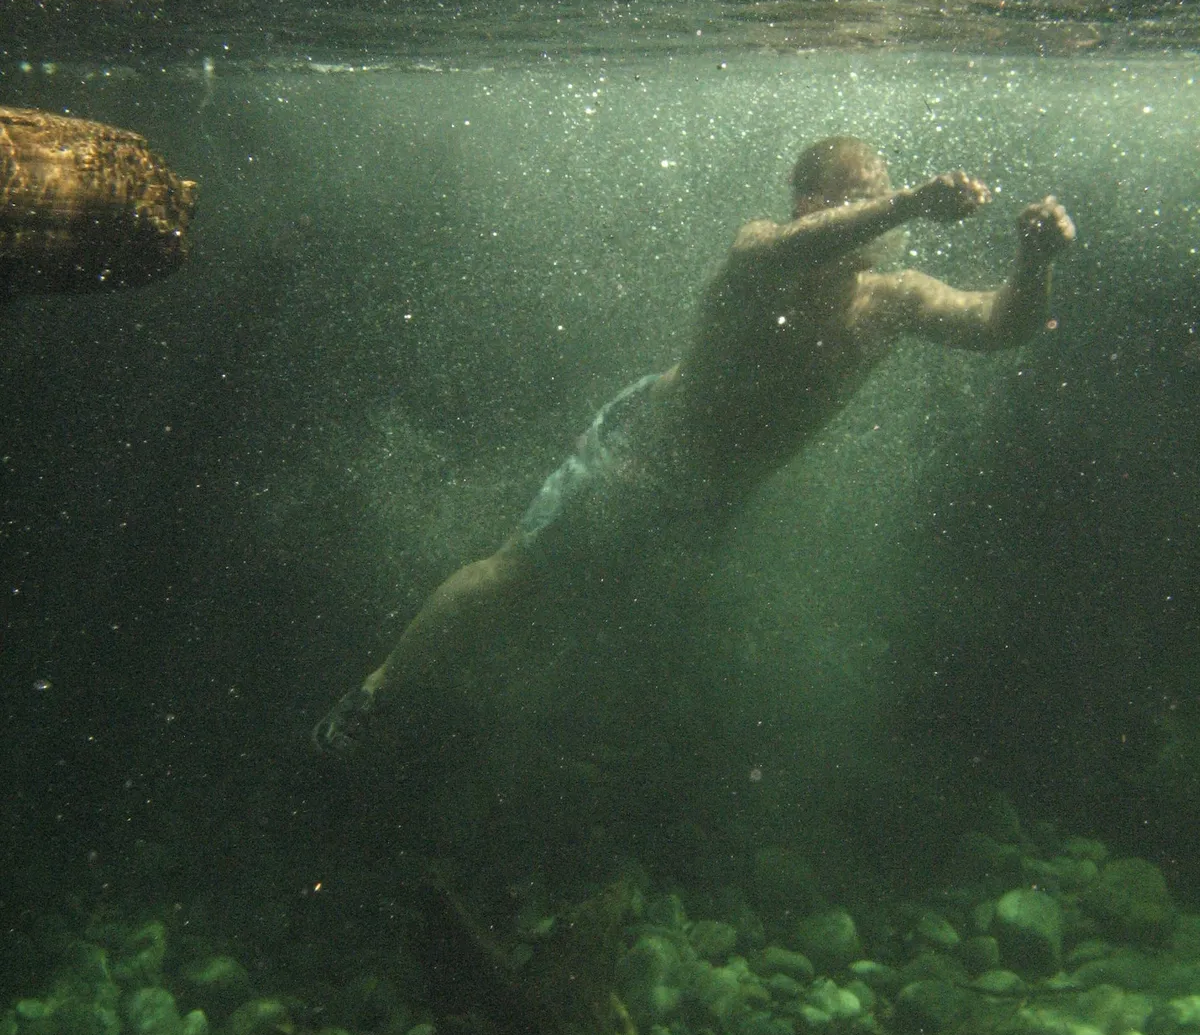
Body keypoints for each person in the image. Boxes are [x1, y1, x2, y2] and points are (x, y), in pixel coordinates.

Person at [312, 135, 1075, 754]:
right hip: (637, 459)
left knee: (633, 624)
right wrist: (905, 203)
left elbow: (996, 327)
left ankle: (546, 741)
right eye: (865, 194)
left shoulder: (893, 301)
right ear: (813, 203)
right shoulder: (761, 252)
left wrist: (1033, 261)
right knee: (515, 577)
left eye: (887, 191)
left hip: (712, 496)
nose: (886, 210)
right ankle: (379, 688)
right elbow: (778, 252)